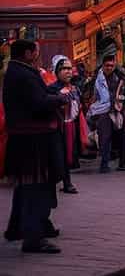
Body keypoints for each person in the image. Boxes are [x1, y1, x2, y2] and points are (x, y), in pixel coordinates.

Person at [4, 38, 70, 254]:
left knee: (25, 187)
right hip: (32, 139)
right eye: (36, 51)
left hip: (25, 138)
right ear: (27, 53)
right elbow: (38, 103)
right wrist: (59, 99)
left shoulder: (16, 72)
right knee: (35, 188)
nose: (38, 55)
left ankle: (16, 228)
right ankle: (33, 237)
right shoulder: (23, 75)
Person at [87, 53, 125, 173]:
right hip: (103, 111)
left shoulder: (119, 76)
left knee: (121, 137)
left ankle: (122, 162)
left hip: (118, 110)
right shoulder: (97, 78)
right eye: (107, 65)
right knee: (104, 138)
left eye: (112, 65)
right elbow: (92, 94)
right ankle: (104, 164)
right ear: (103, 66)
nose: (109, 68)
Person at [48, 56, 81, 195]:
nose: (68, 71)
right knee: (58, 157)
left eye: (69, 68)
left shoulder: (74, 88)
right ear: (57, 71)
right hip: (56, 128)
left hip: (70, 126)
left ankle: (67, 183)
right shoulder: (51, 89)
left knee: (68, 155)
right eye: (64, 69)